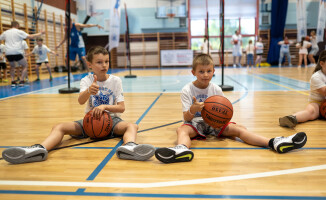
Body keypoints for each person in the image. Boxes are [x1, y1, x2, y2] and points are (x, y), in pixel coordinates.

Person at [2, 46, 155, 164]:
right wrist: (89, 91)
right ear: (90, 64)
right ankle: (39, 149)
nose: (104, 65)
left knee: (132, 126)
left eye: (106, 61)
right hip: (89, 122)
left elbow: (121, 108)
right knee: (59, 126)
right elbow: (81, 101)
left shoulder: (115, 81)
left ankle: (129, 148)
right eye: (99, 62)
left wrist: (104, 107)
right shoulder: (86, 80)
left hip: (111, 121)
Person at [155, 54, 307, 163]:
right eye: (201, 71)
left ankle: (274, 142)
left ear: (214, 72)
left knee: (239, 129)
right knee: (181, 130)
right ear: (193, 72)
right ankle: (181, 149)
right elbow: (186, 118)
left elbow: (225, 113)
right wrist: (193, 109)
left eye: (209, 71)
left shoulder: (216, 89)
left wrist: (223, 122)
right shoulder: (187, 90)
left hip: (215, 122)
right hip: (195, 123)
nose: (205, 75)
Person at [279, 50, 326, 128]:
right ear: (322, 63)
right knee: (310, 112)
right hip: (317, 103)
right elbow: (324, 92)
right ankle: (292, 118)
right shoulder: (316, 76)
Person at [0, 21, 45, 87]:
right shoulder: (19, 31)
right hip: (17, 52)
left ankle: (13, 82)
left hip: (8, 53)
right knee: (25, 65)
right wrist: (40, 33)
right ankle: (21, 81)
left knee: (12, 67)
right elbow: (31, 36)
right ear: (17, 25)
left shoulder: (5, 32)